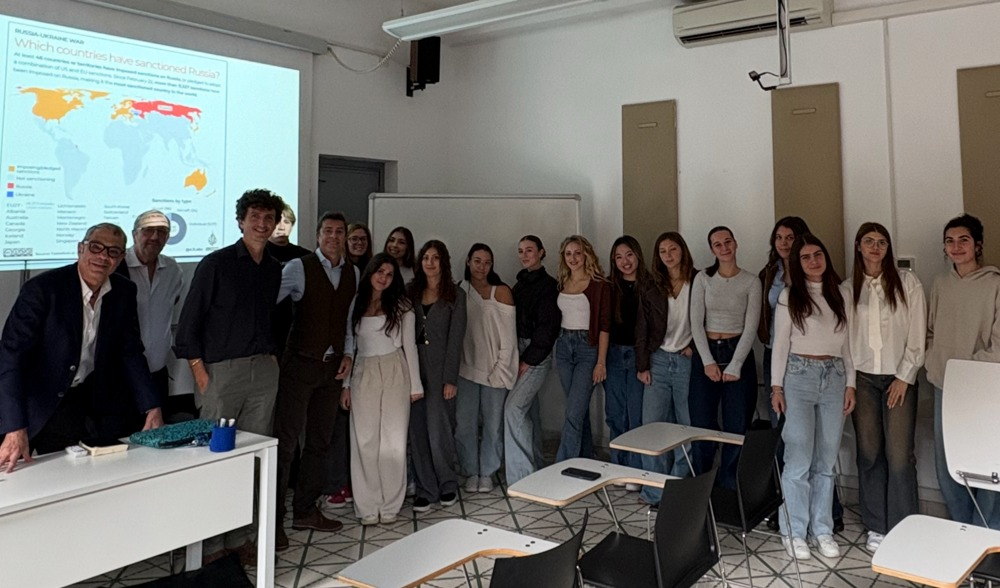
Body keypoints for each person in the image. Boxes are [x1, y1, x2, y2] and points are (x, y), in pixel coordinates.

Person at [173, 188, 285, 562]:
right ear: (240, 221)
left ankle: (239, 538)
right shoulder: (216, 264)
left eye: (268, 218)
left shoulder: (273, 268)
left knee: (252, 459)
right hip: (221, 374)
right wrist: (200, 374)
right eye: (255, 217)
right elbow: (190, 322)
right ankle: (210, 546)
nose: (262, 224)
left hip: (263, 373)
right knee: (216, 458)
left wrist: (273, 362)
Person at [0, 223, 163, 473]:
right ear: (80, 249)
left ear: (121, 258)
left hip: (74, 403)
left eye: (112, 251)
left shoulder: (123, 291)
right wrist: (14, 426)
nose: (103, 257)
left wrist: (151, 405)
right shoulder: (43, 289)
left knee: (63, 475)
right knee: (11, 475)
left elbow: (130, 351)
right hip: (28, 399)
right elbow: (11, 358)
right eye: (96, 247)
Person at [272, 211, 358, 551]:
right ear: (318, 235)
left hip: (332, 369)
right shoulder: (298, 267)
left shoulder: (352, 272)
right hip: (299, 367)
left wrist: (348, 354)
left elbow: (348, 320)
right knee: (286, 445)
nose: (333, 237)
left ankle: (305, 510)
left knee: (319, 442)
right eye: (328, 231)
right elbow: (268, 304)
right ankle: (273, 522)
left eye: (339, 231)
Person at [771, 233, 856, 561]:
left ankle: (822, 529)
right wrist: (776, 387)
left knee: (826, 460)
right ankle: (794, 531)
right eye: (805, 257)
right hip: (798, 377)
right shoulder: (789, 296)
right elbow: (780, 345)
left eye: (817, 254)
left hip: (834, 378)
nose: (813, 261)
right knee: (798, 459)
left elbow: (848, 344)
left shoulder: (841, 294)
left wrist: (851, 384)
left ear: (826, 257)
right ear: (798, 263)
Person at [845, 222, 925, 553]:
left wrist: (905, 376)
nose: (875, 247)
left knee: (900, 456)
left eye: (882, 242)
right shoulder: (848, 289)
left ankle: (904, 525)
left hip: (899, 378)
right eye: (869, 241)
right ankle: (876, 526)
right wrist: (850, 384)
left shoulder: (907, 283)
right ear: (858, 246)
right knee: (869, 454)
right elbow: (845, 342)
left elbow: (918, 332)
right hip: (863, 380)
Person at [926, 213, 1000, 529]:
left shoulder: (995, 284)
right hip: (944, 386)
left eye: (963, 240)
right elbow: (930, 331)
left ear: (978, 245)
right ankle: (962, 529)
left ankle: (988, 533)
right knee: (949, 461)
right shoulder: (940, 284)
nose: (956, 247)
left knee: (986, 462)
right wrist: (934, 361)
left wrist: (966, 371)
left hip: (982, 388)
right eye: (950, 241)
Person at [341, 253, 423, 525]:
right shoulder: (357, 301)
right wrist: (346, 385)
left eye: (389, 274)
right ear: (371, 272)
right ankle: (367, 505)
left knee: (393, 439)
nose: (384, 278)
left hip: (394, 368)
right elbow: (350, 344)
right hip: (363, 370)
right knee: (364, 439)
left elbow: (410, 346)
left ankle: (390, 504)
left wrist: (415, 385)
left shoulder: (402, 306)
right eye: (380, 272)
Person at [689, 226, 761, 489]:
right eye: (717, 244)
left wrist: (736, 365)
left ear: (735, 243)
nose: (724, 248)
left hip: (737, 352)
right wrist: (707, 361)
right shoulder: (703, 278)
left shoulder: (751, 281)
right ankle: (701, 484)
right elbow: (696, 322)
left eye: (727, 242)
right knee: (702, 423)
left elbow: (751, 327)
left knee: (736, 425)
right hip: (706, 353)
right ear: (712, 250)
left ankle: (730, 485)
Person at [636, 232, 696, 505]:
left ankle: (677, 488)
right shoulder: (652, 286)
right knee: (652, 427)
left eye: (673, 249)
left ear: (682, 250)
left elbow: (709, 318)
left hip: (686, 362)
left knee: (687, 428)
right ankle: (654, 491)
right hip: (658, 360)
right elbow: (642, 328)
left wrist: (694, 346)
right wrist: (642, 365)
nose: (668, 255)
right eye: (663, 251)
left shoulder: (698, 280)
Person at [408, 240, 466, 511]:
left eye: (435, 258)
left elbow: (456, 338)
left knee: (439, 432)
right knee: (417, 431)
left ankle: (447, 484)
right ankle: (425, 488)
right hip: (413, 369)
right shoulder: (410, 292)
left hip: (441, 372)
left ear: (444, 262)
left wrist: (450, 378)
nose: (430, 263)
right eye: (425, 258)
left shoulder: (455, 294)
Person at [456, 243, 518, 493]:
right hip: (465, 371)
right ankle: (470, 470)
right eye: (477, 261)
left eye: (487, 262)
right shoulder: (459, 291)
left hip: (496, 371)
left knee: (493, 426)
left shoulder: (501, 292)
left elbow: (509, 338)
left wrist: (501, 369)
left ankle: (488, 472)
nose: (482, 267)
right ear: (468, 262)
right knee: (464, 425)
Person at [504, 235, 560, 485]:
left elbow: (548, 329)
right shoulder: (519, 285)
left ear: (541, 252)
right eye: (521, 251)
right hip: (519, 350)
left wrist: (528, 359)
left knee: (513, 410)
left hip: (535, 355)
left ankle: (523, 477)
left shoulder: (548, 286)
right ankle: (535, 465)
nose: (524, 255)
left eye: (529, 250)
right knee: (530, 411)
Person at [118, 210, 184, 418]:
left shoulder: (172, 270)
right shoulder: (117, 266)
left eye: (162, 231)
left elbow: (173, 303)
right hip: (120, 376)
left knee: (156, 433)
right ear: (134, 234)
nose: (155, 237)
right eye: (148, 230)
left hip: (158, 374)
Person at [554, 235, 610, 462]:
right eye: (568, 254)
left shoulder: (599, 285)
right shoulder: (562, 282)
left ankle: (562, 465)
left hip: (588, 348)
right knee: (578, 408)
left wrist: (601, 362)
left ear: (586, 254)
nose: (573, 258)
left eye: (577, 253)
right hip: (564, 347)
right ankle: (585, 457)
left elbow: (604, 326)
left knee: (573, 413)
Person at [605, 235, 649, 472]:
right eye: (619, 257)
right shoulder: (609, 286)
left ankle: (635, 469)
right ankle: (617, 467)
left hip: (638, 357)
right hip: (613, 355)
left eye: (629, 255)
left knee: (636, 415)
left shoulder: (650, 285)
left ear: (638, 255)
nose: (625, 261)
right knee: (615, 414)